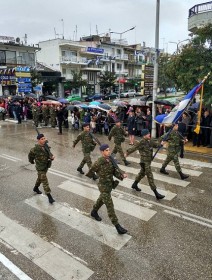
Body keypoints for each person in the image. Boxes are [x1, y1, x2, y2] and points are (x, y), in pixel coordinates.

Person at [86, 144, 128, 234]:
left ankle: (94, 211)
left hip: (109, 185)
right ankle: (117, 226)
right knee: (110, 206)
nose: (109, 151)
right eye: (107, 150)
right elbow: (91, 170)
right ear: (102, 152)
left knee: (102, 199)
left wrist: (122, 175)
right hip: (103, 186)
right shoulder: (99, 162)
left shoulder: (111, 160)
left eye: (109, 150)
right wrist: (94, 176)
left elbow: (114, 172)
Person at [125, 129, 165, 200]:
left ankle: (134, 184)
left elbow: (156, 145)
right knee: (150, 176)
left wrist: (161, 144)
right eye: (147, 134)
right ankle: (156, 194)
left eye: (149, 133)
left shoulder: (150, 140)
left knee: (142, 174)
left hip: (148, 161)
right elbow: (134, 148)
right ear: (144, 136)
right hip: (144, 162)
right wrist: (127, 153)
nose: (149, 134)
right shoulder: (141, 142)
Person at [28, 133, 55, 204]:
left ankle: (35, 188)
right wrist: (31, 161)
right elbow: (30, 156)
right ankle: (49, 196)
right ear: (38, 140)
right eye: (42, 139)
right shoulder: (35, 149)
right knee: (45, 181)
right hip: (40, 167)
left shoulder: (46, 146)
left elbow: (49, 153)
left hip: (46, 166)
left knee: (40, 178)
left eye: (44, 138)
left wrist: (52, 157)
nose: (44, 140)